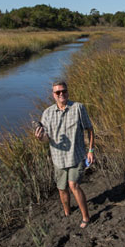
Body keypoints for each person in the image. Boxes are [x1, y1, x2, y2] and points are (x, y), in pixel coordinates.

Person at [34, 81, 95, 228]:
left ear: (67, 92)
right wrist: (40, 137)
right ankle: (67, 212)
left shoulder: (78, 108)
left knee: (73, 185)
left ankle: (86, 217)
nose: (61, 94)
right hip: (58, 159)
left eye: (64, 91)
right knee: (62, 188)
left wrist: (91, 150)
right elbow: (46, 138)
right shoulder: (47, 113)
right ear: (53, 95)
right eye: (58, 92)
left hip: (76, 156)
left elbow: (90, 129)